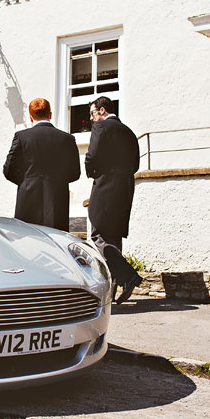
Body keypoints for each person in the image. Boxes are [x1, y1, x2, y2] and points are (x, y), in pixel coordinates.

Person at [85, 96, 141, 304]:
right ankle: (114, 288)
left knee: (98, 234)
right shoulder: (129, 132)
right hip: (125, 188)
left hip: (106, 187)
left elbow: (91, 156)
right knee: (114, 236)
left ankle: (128, 275)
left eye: (92, 113)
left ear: (101, 111)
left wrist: (92, 173)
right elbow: (135, 164)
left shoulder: (101, 128)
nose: (91, 119)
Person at [3, 98, 80, 231]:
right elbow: (74, 172)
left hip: (27, 200)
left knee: (27, 242)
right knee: (56, 242)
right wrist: (58, 181)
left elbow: (9, 170)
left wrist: (26, 182)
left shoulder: (22, 137)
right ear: (50, 115)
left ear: (31, 117)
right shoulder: (67, 139)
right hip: (57, 200)